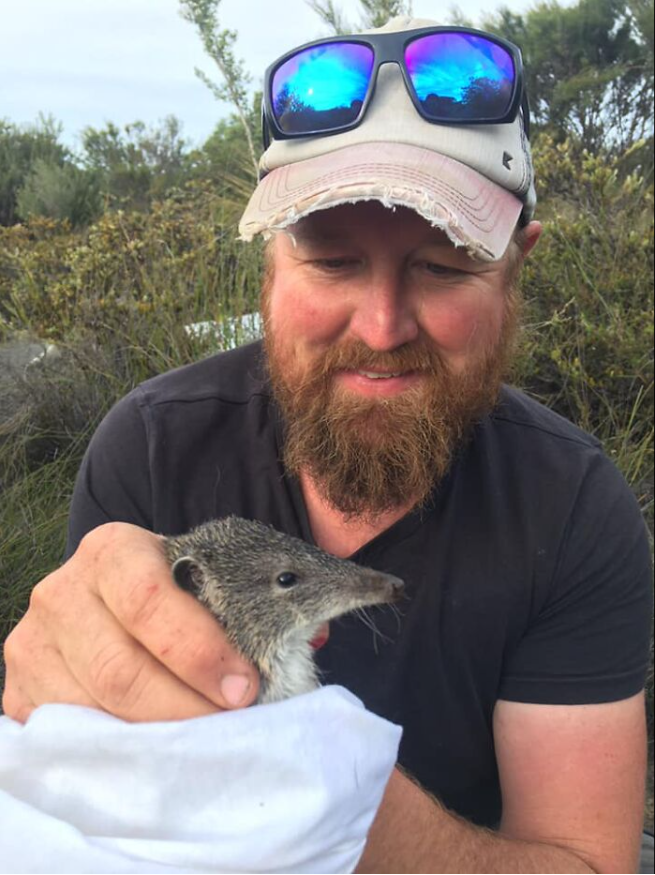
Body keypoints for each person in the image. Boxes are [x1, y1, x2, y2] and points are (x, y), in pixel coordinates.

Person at [3, 15, 651, 874]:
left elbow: (587, 861)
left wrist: (336, 802)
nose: (380, 330)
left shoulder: (572, 507)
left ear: (513, 266)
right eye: (332, 261)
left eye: (443, 266)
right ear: (270, 266)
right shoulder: (152, 445)